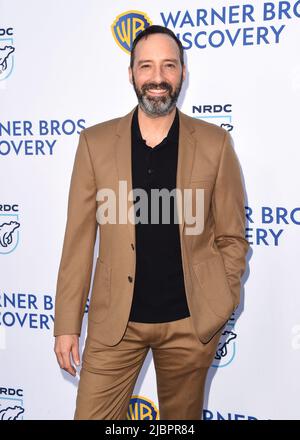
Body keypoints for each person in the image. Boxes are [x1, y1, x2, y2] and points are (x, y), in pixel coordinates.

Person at [53, 25, 249, 420]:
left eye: (168, 66)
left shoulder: (214, 144)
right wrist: (66, 324)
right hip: (114, 326)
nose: (157, 77)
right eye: (146, 66)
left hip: (189, 326)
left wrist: (219, 301)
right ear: (131, 74)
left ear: (182, 73)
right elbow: (77, 241)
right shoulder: (95, 143)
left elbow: (232, 236)